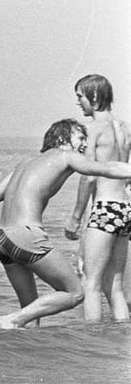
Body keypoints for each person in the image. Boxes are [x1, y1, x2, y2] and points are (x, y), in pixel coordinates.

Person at [0, 119, 131, 328]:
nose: (85, 142)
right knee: (74, 293)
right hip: (26, 235)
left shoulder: (25, 163)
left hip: (3, 240)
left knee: (30, 311)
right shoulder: (66, 155)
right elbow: (104, 168)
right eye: (80, 137)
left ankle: (28, 355)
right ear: (61, 137)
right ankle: (10, 319)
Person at [63, 74, 131, 322]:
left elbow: (89, 176)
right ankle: (123, 342)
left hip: (104, 207)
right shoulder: (124, 128)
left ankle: (93, 342)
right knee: (115, 286)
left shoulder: (92, 130)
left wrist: (75, 217)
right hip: (125, 207)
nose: (79, 103)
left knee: (90, 283)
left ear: (93, 96)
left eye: (80, 96)